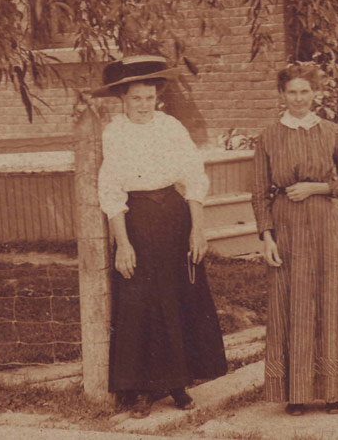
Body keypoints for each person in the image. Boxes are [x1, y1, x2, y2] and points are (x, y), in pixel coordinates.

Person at [94, 56, 228, 417]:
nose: (142, 105)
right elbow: (111, 192)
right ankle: (140, 390)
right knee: (140, 301)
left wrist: (198, 230)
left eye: (148, 98)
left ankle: (177, 384)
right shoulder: (115, 132)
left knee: (177, 297)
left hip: (174, 217)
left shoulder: (171, 128)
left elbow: (194, 178)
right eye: (135, 98)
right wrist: (122, 243)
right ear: (122, 98)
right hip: (136, 220)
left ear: (158, 97)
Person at [251, 61, 338, 416]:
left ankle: (334, 390)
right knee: (293, 302)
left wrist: (317, 187)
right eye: (292, 92)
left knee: (327, 300)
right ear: (281, 95)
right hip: (286, 226)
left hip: (323, 224)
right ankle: (295, 393)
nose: (298, 99)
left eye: (305, 91)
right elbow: (259, 192)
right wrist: (266, 237)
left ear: (315, 94)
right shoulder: (269, 136)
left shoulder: (331, 132)